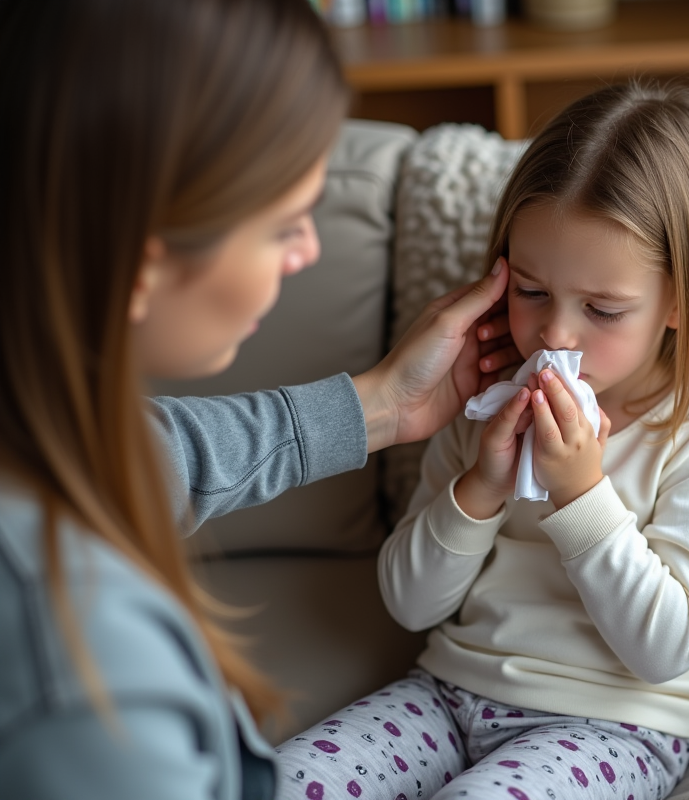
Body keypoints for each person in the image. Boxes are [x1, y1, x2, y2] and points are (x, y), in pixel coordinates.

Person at [0, 2, 518, 798]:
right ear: (144, 264)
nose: (309, 251)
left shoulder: (48, 439)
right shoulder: (83, 672)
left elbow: (159, 452)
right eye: (285, 225)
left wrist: (381, 406)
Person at [273, 81, 689, 800]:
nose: (555, 335)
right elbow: (411, 605)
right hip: (447, 693)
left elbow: (666, 648)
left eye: (603, 309)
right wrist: (479, 488)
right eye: (532, 291)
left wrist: (582, 494)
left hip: (613, 724)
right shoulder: (487, 403)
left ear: (680, 303)